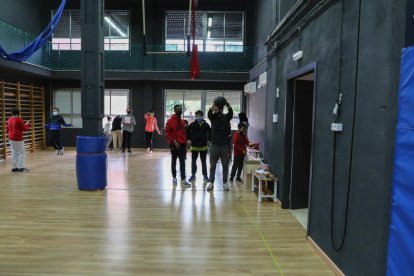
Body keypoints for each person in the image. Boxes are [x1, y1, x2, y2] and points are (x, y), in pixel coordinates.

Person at [206, 97, 233, 191]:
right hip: (214, 145)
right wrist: (213, 105)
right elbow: (209, 113)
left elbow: (231, 112)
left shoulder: (226, 117)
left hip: (225, 145)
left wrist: (227, 103)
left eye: (216, 108)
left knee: (225, 165)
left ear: (221, 109)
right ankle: (211, 182)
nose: (214, 109)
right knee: (212, 165)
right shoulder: (212, 117)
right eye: (214, 108)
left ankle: (225, 182)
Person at [165, 104, 191, 187]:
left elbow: (184, 133)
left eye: (181, 109)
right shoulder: (170, 121)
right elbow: (167, 133)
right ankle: (174, 177)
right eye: (178, 109)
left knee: (182, 162)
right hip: (174, 144)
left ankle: (183, 179)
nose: (180, 110)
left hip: (182, 145)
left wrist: (187, 141)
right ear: (175, 110)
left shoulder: (183, 121)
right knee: (174, 160)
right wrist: (174, 141)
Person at [187, 110, 211, 182]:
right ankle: (193, 174)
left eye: (199, 115)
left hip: (204, 146)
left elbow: (210, 132)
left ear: (202, 116)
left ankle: (205, 175)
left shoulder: (206, 125)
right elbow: (187, 132)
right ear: (195, 116)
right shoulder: (192, 124)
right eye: (197, 115)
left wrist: (209, 140)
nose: (198, 117)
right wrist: (189, 139)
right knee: (193, 161)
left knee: (203, 161)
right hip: (194, 146)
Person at [6, 107, 30, 172]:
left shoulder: (9, 120)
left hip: (11, 138)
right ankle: (21, 168)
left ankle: (14, 168)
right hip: (18, 138)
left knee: (14, 153)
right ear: (18, 113)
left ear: (12, 113)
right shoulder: (19, 120)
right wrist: (27, 124)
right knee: (22, 153)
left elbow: (7, 130)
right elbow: (25, 129)